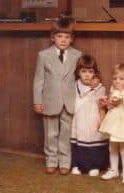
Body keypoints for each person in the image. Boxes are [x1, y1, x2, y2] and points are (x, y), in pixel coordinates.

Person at [33, 18, 82, 175]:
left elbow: (80, 77)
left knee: (66, 133)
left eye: (67, 37)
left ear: (72, 39)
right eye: (60, 36)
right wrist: (37, 101)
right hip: (49, 101)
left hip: (69, 101)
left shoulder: (77, 55)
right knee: (50, 133)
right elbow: (38, 80)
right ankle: (51, 160)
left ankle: (65, 162)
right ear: (52, 37)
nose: (63, 40)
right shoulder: (43, 55)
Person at [70, 54, 109, 177]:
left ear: (95, 73)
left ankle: (94, 165)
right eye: (83, 71)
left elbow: (101, 106)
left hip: (93, 119)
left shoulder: (99, 88)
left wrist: (101, 119)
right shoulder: (75, 85)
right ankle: (77, 165)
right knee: (78, 141)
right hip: (79, 119)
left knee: (94, 141)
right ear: (78, 72)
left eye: (90, 71)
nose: (87, 75)